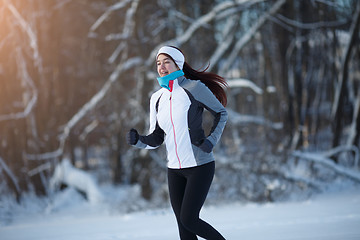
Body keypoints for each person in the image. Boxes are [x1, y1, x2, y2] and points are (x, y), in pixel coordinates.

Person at [126, 46, 227, 240]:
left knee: (189, 219)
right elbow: (156, 138)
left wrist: (211, 140)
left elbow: (221, 113)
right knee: (183, 227)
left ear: (177, 64)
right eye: (158, 63)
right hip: (174, 169)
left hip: (200, 165)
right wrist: (138, 140)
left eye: (166, 62)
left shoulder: (194, 88)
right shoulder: (157, 98)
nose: (162, 67)